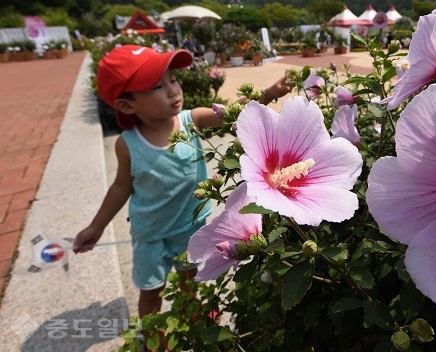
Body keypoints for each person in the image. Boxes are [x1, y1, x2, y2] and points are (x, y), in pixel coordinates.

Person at [73, 45, 291, 322]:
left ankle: (192, 321)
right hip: (151, 235)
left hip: (192, 228)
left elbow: (236, 112)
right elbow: (120, 186)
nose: (173, 89)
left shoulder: (191, 120)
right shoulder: (126, 144)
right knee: (151, 291)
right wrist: (97, 225)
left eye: (173, 80)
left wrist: (270, 93)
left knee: (190, 281)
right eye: (156, 86)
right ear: (127, 105)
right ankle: (151, 335)